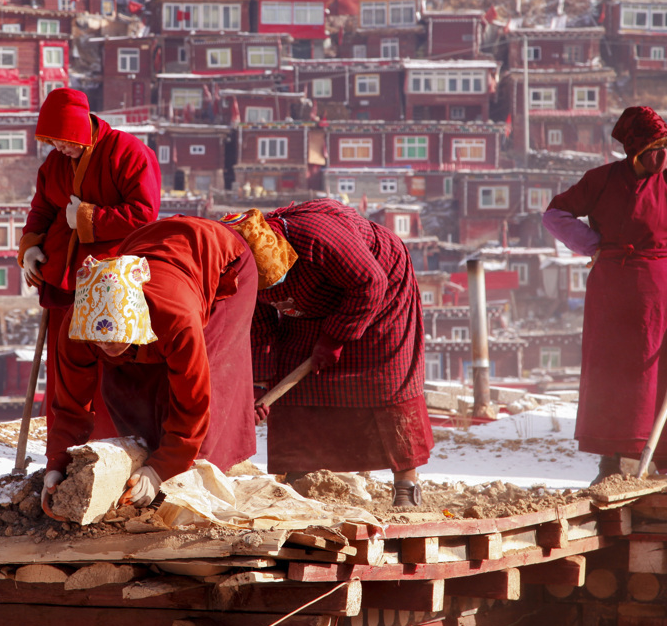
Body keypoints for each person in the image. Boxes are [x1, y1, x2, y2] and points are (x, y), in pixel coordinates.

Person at [543, 106, 667, 487]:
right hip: (614, 293)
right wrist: (593, 244)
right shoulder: (600, 180)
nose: (662, 154)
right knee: (613, 372)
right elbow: (555, 214)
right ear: (635, 147)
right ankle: (610, 465)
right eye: (655, 145)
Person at [41, 217, 257, 516]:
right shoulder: (77, 327)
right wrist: (57, 463)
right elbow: (70, 404)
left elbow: (192, 400)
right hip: (150, 246)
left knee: (212, 386)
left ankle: (195, 488)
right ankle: (141, 470)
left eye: (117, 341)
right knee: (123, 388)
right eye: (99, 343)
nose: (106, 348)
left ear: (138, 322)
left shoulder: (177, 320)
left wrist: (163, 468)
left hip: (222, 264)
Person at [226, 199, 432, 507]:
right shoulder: (238, 270)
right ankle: (298, 476)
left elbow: (370, 282)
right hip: (308, 309)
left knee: (388, 381)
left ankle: (406, 484)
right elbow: (259, 330)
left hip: (380, 288)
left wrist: (334, 338)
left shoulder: (317, 236)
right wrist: (258, 385)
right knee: (290, 373)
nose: (274, 292)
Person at [17, 89, 161, 439]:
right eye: (52, 141)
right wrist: (30, 248)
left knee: (107, 365)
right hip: (61, 281)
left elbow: (145, 213)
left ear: (80, 130)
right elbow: (41, 210)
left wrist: (86, 218)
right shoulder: (53, 164)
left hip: (109, 281)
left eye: (64, 140)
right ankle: (64, 444)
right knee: (65, 373)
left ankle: (109, 441)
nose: (59, 148)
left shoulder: (126, 152)